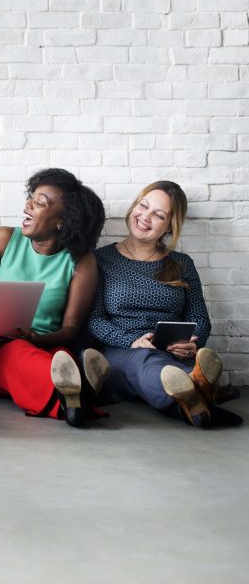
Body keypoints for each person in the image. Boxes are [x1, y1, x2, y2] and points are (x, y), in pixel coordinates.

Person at [87, 181, 241, 427]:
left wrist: (193, 343)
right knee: (146, 361)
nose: (145, 217)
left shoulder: (182, 264)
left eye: (158, 215)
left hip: (174, 355)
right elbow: (94, 319)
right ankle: (200, 400)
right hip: (123, 354)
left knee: (186, 363)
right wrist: (130, 341)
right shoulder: (101, 259)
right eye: (143, 206)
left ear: (170, 226)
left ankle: (193, 390)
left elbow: (200, 319)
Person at [0, 168, 109, 427]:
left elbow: (71, 328)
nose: (27, 206)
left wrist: (37, 338)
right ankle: (83, 391)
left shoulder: (81, 261)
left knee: (58, 357)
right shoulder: (3, 239)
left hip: (48, 346)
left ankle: (74, 397)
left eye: (39, 203)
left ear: (62, 221)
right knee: (20, 353)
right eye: (31, 198)